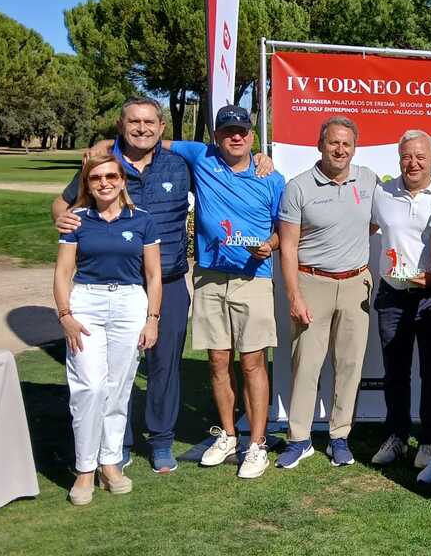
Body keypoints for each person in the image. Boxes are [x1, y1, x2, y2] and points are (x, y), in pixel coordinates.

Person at [52, 97, 191, 475]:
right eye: (134, 122)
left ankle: (161, 441)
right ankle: (118, 446)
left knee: (163, 365)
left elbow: (227, 160)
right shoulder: (104, 165)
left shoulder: (180, 165)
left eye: (149, 122)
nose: (142, 128)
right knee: (116, 370)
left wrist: (262, 160)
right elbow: (62, 204)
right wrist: (62, 222)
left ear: (162, 127)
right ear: (121, 125)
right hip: (116, 286)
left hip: (170, 281)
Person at [165, 105, 285, 479]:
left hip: (254, 277)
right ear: (216, 136)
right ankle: (229, 435)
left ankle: (258, 444)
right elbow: (154, 140)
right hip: (209, 277)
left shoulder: (272, 177)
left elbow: (285, 230)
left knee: (252, 362)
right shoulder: (201, 157)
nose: (236, 136)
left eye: (242, 131)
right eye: (228, 131)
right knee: (218, 360)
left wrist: (271, 245)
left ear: (252, 136)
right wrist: (106, 146)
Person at [54, 154, 162, 505]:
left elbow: (153, 275)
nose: (105, 183)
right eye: (96, 178)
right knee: (89, 387)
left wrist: (152, 318)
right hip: (86, 303)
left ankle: (110, 463)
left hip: (131, 304)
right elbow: (62, 273)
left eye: (111, 176)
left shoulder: (143, 221)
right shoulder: (76, 221)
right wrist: (65, 315)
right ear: (87, 184)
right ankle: (84, 470)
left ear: (122, 180)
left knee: (118, 389)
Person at [276, 117, 378, 469]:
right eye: (333, 143)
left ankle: (339, 436)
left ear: (354, 148)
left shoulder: (367, 180)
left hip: (355, 285)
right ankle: (299, 439)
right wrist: (294, 296)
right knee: (306, 364)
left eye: (346, 144)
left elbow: (378, 221)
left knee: (349, 365)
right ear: (320, 145)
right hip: (312, 283)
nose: (340, 150)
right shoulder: (299, 186)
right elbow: (287, 246)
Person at [370, 129, 431, 485]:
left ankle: (429, 440)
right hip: (392, 294)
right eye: (406, 156)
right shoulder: (381, 193)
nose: (413, 163)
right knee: (395, 372)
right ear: (398, 158)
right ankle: (397, 437)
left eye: (420, 156)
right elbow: (365, 227)